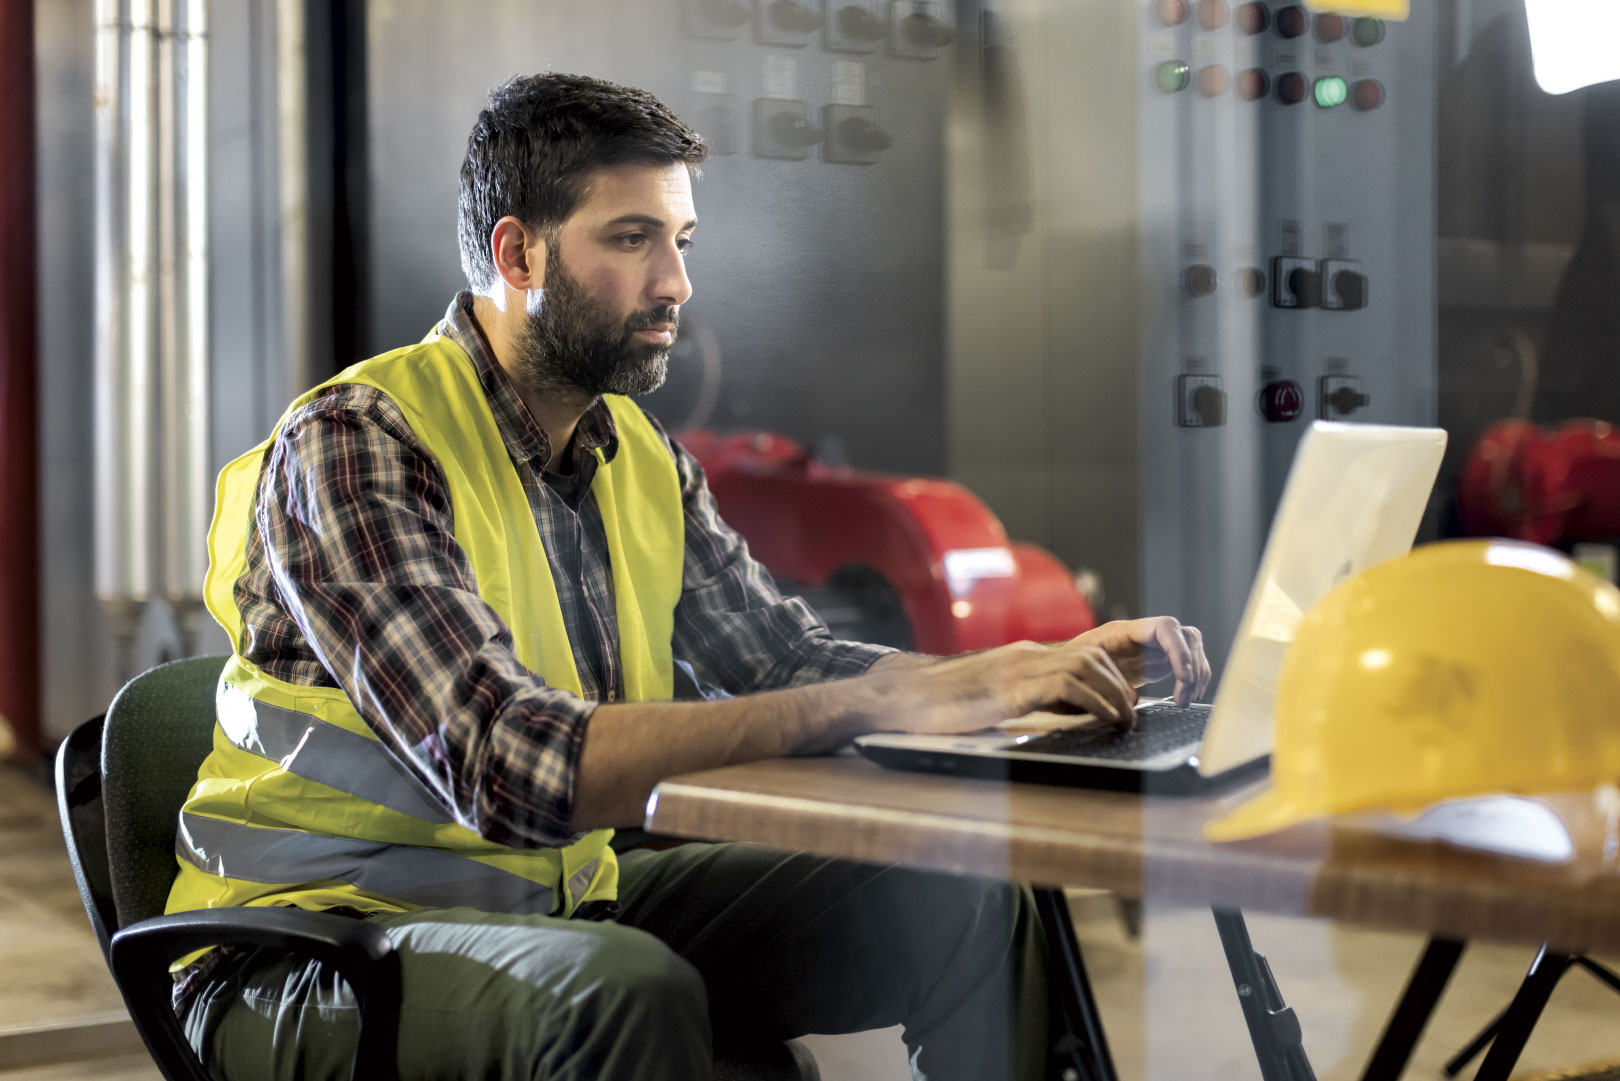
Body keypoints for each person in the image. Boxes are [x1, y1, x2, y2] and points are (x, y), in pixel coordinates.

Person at [167, 72, 1211, 1081]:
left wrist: (1011, 677)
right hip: (308, 951)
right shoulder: (357, 443)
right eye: (632, 240)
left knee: (969, 886)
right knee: (621, 990)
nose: (676, 283)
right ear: (517, 252)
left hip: (553, 913)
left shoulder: (637, 454)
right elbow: (505, 762)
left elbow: (782, 659)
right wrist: (885, 698)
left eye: (681, 241)